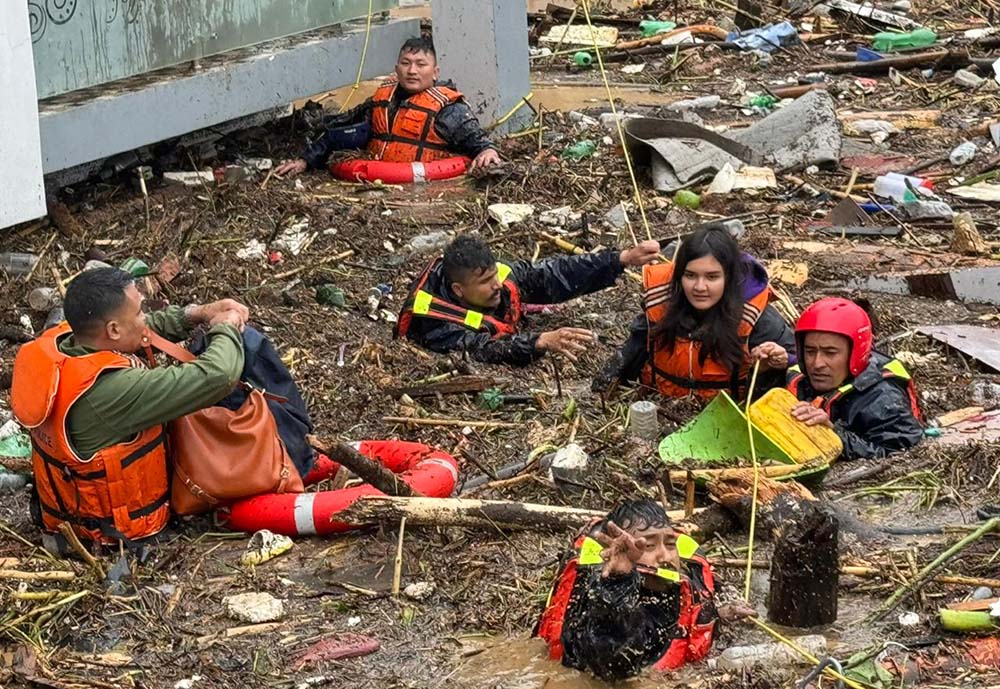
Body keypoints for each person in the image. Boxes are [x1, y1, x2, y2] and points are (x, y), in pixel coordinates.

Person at [10, 267, 249, 547]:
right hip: (112, 536)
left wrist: (197, 314)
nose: (144, 318)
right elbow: (219, 376)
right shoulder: (112, 391)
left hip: (63, 518)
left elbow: (139, 329)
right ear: (112, 329)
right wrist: (227, 327)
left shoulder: (61, 343)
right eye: (139, 312)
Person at [535, 500, 754, 680]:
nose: (665, 557)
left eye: (670, 544)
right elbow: (614, 665)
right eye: (648, 546)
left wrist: (723, 614)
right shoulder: (596, 600)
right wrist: (618, 582)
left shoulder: (686, 583)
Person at [394, 235, 661, 366]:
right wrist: (539, 342)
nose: (497, 285)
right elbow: (482, 350)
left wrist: (620, 259)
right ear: (459, 290)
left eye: (494, 275)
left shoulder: (498, 278)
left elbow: (555, 274)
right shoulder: (433, 322)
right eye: (486, 283)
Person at [595, 226, 795, 400]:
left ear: (729, 277)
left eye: (712, 277)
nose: (700, 287)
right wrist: (604, 387)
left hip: (725, 420)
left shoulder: (758, 318)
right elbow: (635, 348)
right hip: (661, 404)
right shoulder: (661, 303)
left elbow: (801, 363)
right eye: (690, 275)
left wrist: (783, 360)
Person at [274, 37, 501, 175]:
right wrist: (305, 160)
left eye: (421, 65)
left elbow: (480, 143)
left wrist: (488, 152)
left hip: (426, 185)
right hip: (377, 182)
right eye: (406, 64)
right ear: (396, 68)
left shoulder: (450, 110)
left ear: (435, 72)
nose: (412, 71)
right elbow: (340, 131)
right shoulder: (383, 99)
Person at [788, 297, 923, 460]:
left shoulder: (883, 398)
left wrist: (833, 434)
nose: (817, 364)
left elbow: (901, 453)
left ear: (856, 354)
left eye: (830, 353)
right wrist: (764, 372)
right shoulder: (798, 378)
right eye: (810, 351)